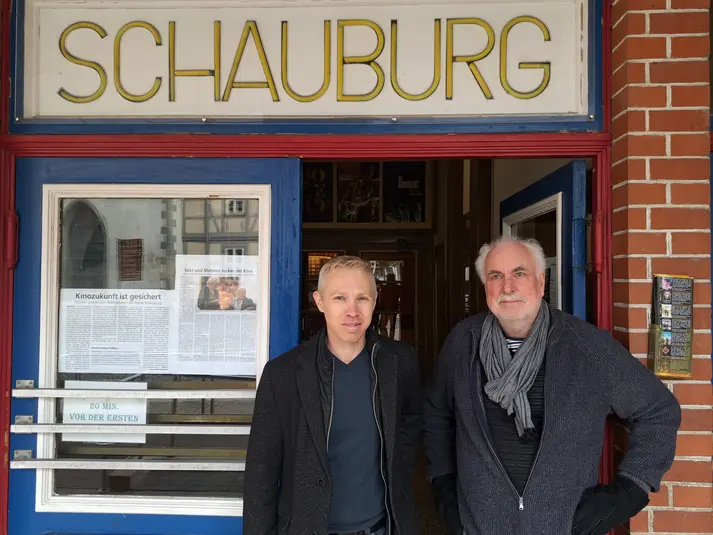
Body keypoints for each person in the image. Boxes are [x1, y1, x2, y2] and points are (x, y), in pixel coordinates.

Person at [424, 236, 681, 535]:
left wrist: (629, 490)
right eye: (496, 276)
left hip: (561, 526)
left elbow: (659, 410)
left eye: (519, 273)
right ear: (485, 286)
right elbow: (437, 412)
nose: (507, 287)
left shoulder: (586, 346)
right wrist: (442, 483)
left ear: (541, 281)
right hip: (477, 525)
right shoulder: (463, 341)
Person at [244, 255, 422, 535]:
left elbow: (412, 421)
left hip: (381, 528)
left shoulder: (399, 362)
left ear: (374, 302)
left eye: (362, 298)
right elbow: (260, 472)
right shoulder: (283, 374)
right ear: (319, 301)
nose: (352, 311)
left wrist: (397, 469)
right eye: (340, 298)